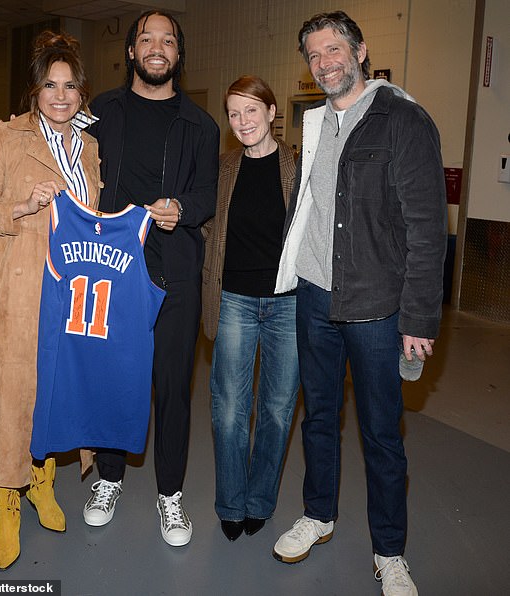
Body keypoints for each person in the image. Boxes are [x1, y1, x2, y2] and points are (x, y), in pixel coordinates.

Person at [272, 11, 447, 596]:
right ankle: (318, 514)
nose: (324, 63)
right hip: (315, 299)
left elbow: (426, 228)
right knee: (319, 417)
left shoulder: (404, 120)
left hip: (377, 308)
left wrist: (420, 319)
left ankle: (389, 552)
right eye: (314, 55)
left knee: (381, 434)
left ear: (360, 51)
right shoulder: (316, 123)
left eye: (333, 50)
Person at [0, 31, 102, 569]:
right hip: (16, 294)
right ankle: (6, 502)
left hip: (71, 295)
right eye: (50, 85)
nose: (61, 96)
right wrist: (21, 205)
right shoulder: (4, 138)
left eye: (70, 86)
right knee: (12, 397)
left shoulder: (88, 145)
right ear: (34, 91)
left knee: (56, 396)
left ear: (81, 91)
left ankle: (41, 483)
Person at [83, 10, 219, 547]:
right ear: (131, 52)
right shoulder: (98, 114)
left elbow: (207, 194)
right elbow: (66, 163)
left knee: (172, 388)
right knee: (115, 377)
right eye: (147, 39)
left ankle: (170, 495)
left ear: (179, 55)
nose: (157, 48)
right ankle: (109, 479)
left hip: (175, 272)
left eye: (168, 41)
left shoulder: (201, 125)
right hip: (110, 272)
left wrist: (182, 207)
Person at [201, 75, 299, 542]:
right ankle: (231, 503)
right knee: (229, 410)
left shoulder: (299, 168)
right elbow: (205, 222)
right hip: (235, 299)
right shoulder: (222, 169)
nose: (242, 122)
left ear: (272, 113)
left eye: (251, 111)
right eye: (234, 114)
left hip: (288, 305)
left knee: (278, 411)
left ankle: (260, 501)